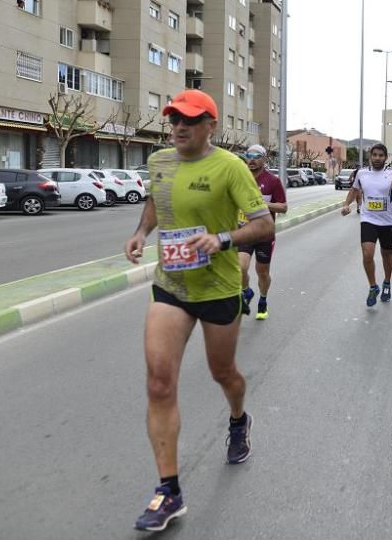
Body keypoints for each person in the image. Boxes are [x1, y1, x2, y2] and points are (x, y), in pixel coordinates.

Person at [123, 90, 273, 532]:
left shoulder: (230, 167)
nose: (179, 127)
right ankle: (168, 490)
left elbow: (263, 223)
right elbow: (156, 201)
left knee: (223, 374)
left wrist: (223, 239)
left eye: (189, 120)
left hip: (218, 287)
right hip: (171, 284)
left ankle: (238, 419)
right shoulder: (160, 162)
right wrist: (141, 232)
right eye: (174, 120)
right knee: (158, 382)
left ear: (211, 124)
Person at [340, 144, 392, 305]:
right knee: (367, 254)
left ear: (386, 157)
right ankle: (373, 286)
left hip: (388, 221)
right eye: (375, 155)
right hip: (368, 219)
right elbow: (354, 190)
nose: (377, 158)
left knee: (386, 255)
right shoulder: (362, 173)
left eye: (381, 155)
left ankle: (387, 282)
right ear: (370, 157)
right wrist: (346, 204)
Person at [237, 144, 287, 321]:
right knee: (240, 267)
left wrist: (263, 205)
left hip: (264, 234)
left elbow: (283, 207)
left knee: (262, 272)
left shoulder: (273, 181)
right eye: (248, 155)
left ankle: (263, 300)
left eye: (256, 156)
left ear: (265, 159)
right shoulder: (239, 179)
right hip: (244, 231)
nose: (251, 159)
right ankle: (246, 291)